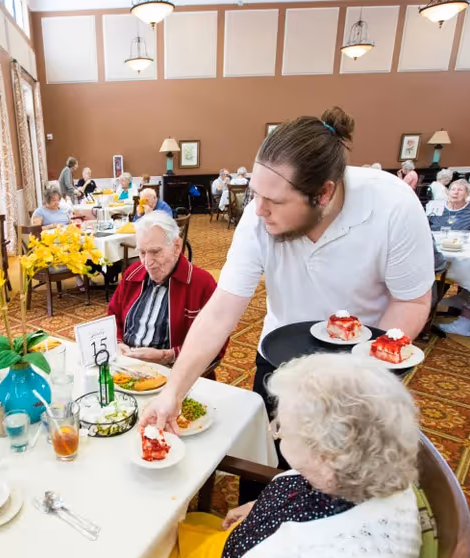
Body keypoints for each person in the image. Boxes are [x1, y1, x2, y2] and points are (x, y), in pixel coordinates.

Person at [139, 106, 435, 441]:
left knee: (337, 478)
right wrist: (173, 391)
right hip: (280, 354)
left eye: (275, 201)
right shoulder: (258, 216)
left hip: (361, 363)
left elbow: (411, 301)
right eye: (256, 193)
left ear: (323, 193)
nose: (258, 209)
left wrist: (364, 378)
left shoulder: (392, 206)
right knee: (268, 467)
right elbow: (220, 312)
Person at [141, 354, 422, 558]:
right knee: (151, 534)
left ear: (325, 456)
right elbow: (307, 492)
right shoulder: (368, 462)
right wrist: (262, 506)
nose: (274, 431)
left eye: (281, 429)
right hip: (228, 547)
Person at [108, 213, 226, 366]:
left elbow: (216, 342)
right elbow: (112, 315)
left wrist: (167, 355)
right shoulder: (133, 273)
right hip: (125, 365)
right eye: (142, 252)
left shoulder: (201, 283)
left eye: (155, 252)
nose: (147, 263)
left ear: (176, 247)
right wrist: (118, 342)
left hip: (174, 371)